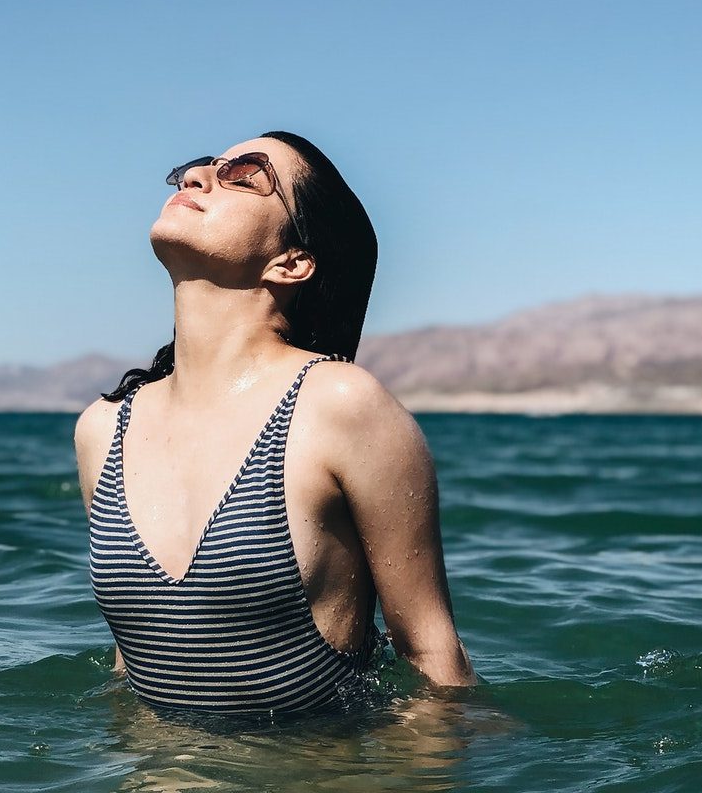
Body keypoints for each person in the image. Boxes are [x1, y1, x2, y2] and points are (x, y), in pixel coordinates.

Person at [74, 130, 476, 713]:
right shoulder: (104, 428)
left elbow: (434, 658)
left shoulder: (340, 406)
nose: (195, 178)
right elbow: (131, 664)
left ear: (293, 262)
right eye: (198, 167)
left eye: (244, 175)